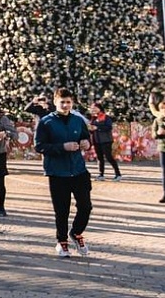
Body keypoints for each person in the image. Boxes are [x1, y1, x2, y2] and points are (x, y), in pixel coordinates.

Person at [34, 88, 93, 258]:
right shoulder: (46, 122)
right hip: (57, 172)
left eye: (68, 102)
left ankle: (76, 232)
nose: (66, 105)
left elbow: (86, 137)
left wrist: (86, 143)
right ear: (55, 102)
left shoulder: (77, 120)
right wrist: (62, 147)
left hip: (78, 170)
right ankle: (62, 241)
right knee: (62, 210)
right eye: (62, 102)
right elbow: (39, 146)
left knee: (85, 206)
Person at [88, 102, 121, 181]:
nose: (94, 110)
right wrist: (91, 129)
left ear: (100, 108)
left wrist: (97, 128)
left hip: (106, 140)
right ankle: (101, 174)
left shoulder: (106, 117)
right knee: (99, 158)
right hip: (96, 141)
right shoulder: (93, 118)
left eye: (95, 108)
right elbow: (92, 129)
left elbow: (108, 127)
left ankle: (118, 174)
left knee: (109, 157)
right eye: (92, 108)